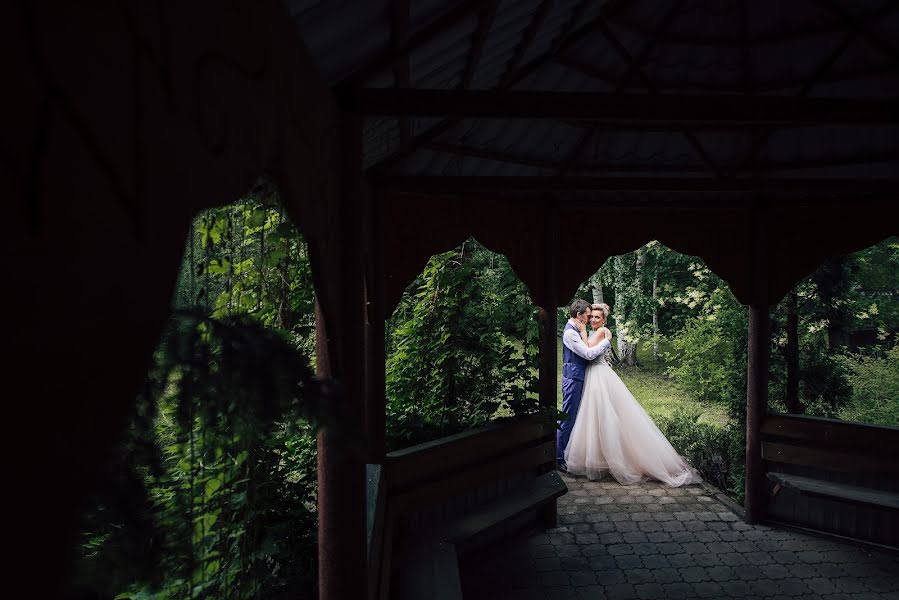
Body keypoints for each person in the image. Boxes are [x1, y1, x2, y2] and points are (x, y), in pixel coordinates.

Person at [564, 303, 702, 486]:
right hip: (593, 375)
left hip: (600, 376)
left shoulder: (601, 332)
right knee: (595, 418)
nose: (593, 320)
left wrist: (583, 331)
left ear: (604, 320)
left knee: (605, 416)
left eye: (597, 317)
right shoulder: (593, 331)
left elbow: (588, 350)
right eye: (591, 317)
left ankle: (617, 460)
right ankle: (600, 460)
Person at [558, 299, 611, 471]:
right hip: (573, 379)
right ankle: (559, 458)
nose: (589, 319)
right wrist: (607, 341)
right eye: (588, 316)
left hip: (579, 377)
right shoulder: (570, 333)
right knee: (567, 417)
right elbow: (588, 354)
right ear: (579, 315)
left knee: (575, 417)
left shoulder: (577, 330)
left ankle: (566, 454)